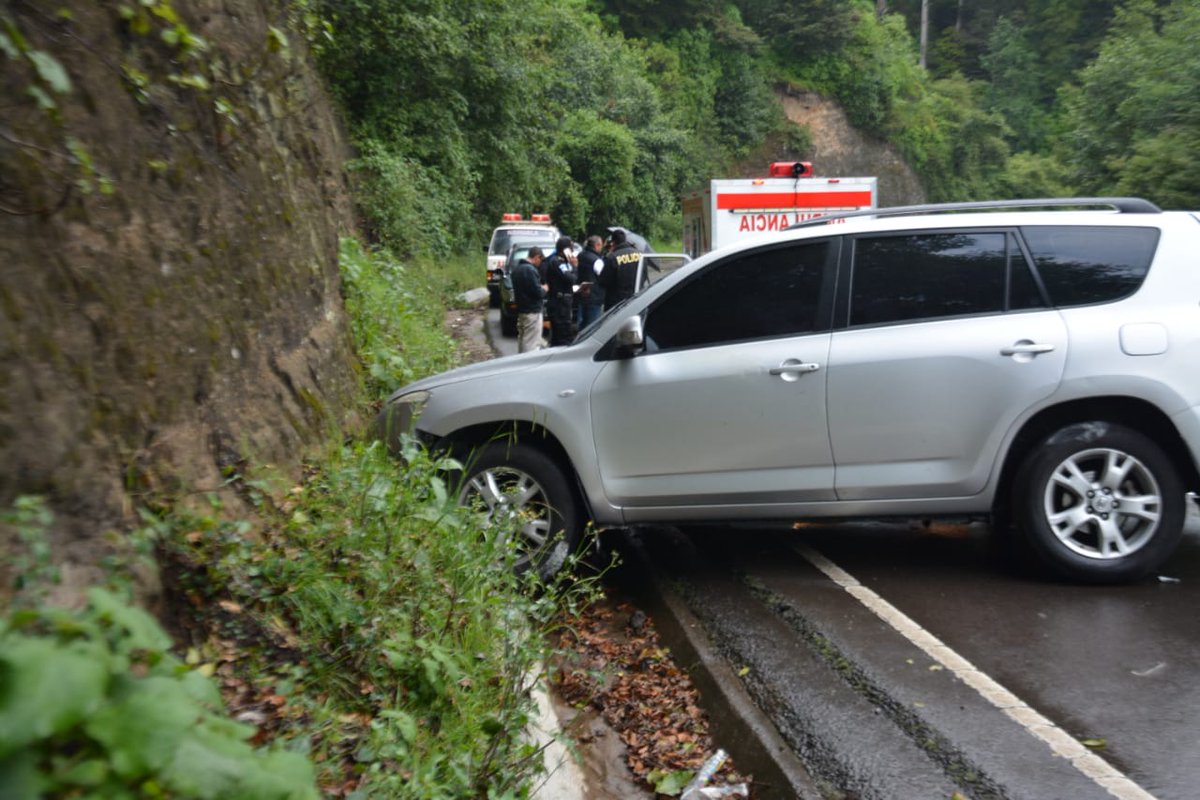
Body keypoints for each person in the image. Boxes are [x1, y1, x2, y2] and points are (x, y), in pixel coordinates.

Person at [543, 236, 578, 346]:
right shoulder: (558, 262)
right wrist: (575, 267)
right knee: (563, 336)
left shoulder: (562, 262)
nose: (572, 251)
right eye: (570, 248)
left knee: (559, 336)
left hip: (562, 303)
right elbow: (571, 279)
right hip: (560, 305)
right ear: (565, 250)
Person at [511, 246, 547, 353]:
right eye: (541, 260)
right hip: (533, 312)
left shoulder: (517, 269)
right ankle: (529, 365)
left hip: (522, 310)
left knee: (523, 339)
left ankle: (521, 362)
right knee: (532, 343)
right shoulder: (530, 270)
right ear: (537, 257)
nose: (540, 263)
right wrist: (544, 288)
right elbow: (538, 292)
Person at [599, 228, 642, 310]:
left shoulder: (612, 257)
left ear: (613, 242)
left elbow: (603, 281)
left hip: (616, 302)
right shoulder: (640, 254)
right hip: (635, 297)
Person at [575, 235, 606, 327]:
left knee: (581, 324)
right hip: (594, 298)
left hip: (581, 295)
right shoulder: (597, 261)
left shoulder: (579, 256)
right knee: (592, 326)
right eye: (601, 246)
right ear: (597, 245)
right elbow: (603, 277)